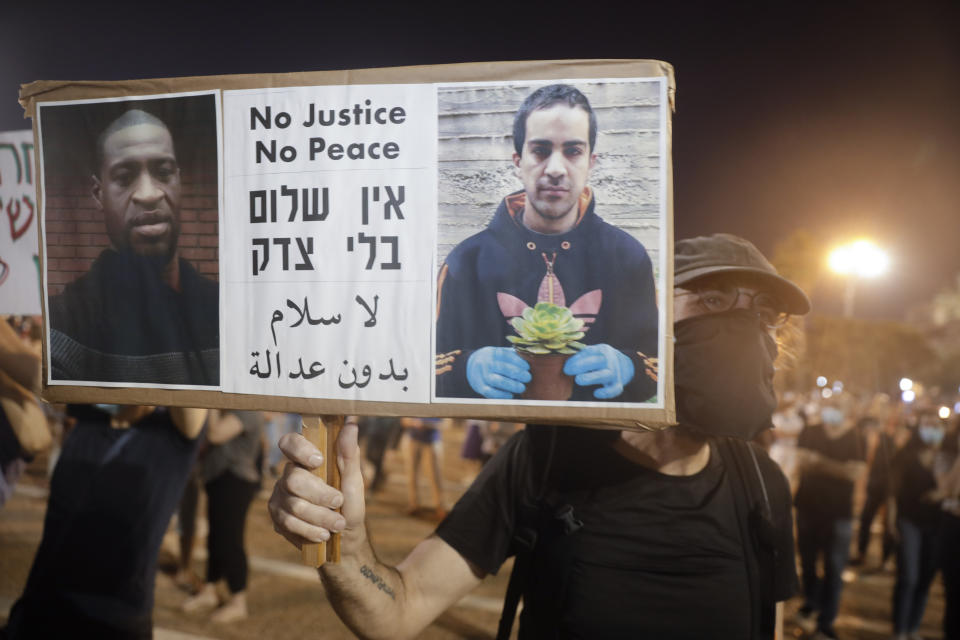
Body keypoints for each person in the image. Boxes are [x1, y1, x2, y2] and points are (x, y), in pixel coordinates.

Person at [270, 233, 809, 639]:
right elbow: (397, 611)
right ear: (651, 314)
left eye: (763, 316)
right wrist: (346, 542)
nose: (741, 331)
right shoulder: (547, 458)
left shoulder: (762, 486)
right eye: (713, 301)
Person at [435, 84, 658, 402]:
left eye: (573, 151)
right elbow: (424, 367)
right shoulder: (466, 261)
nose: (555, 169)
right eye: (540, 150)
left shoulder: (628, 257)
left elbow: (660, 367)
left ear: (591, 162)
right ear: (517, 160)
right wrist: (464, 368)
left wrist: (631, 367)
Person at [48, 108, 219, 386]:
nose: (148, 194)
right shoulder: (67, 322)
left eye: (163, 173)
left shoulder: (223, 309)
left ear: (179, 180)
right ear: (98, 193)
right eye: (125, 178)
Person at [4, 404, 206, 638]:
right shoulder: (88, 416)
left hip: (113, 618)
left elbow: (192, 388)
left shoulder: (171, 434)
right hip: (44, 603)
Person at [793, 398, 868, 639]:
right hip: (807, 507)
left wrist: (821, 463)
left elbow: (855, 472)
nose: (833, 411)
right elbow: (803, 460)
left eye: (838, 407)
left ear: (847, 411)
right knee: (807, 562)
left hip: (839, 515)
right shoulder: (811, 430)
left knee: (834, 568)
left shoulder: (856, 436)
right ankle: (810, 602)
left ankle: (826, 622)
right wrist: (838, 468)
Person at [181, 409, 264, 623]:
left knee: (230, 540)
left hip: (235, 482)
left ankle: (238, 600)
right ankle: (209, 589)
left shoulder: (247, 410)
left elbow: (215, 433)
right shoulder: (234, 409)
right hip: (219, 479)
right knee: (215, 537)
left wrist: (211, 406)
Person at [888, 411, 950, 640]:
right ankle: (899, 629)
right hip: (909, 521)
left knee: (925, 578)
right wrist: (891, 520)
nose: (932, 429)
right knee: (909, 576)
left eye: (936, 425)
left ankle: (913, 628)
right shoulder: (906, 455)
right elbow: (893, 491)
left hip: (936, 524)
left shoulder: (947, 457)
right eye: (927, 424)